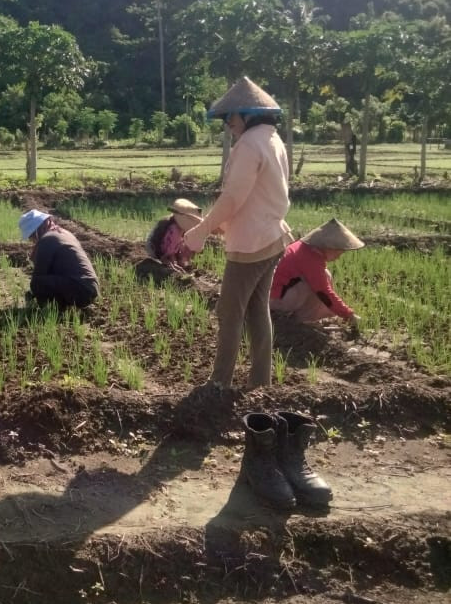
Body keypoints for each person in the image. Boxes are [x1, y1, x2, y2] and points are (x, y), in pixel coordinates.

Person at [182, 77, 293, 391]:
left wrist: (200, 231)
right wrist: (221, 223)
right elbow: (259, 195)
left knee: (228, 311)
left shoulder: (249, 144)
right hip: (271, 237)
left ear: (247, 115)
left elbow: (233, 198)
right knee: (257, 309)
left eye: (230, 118)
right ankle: (260, 382)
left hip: (252, 244)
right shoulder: (272, 138)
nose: (228, 125)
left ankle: (219, 383)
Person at [270, 218, 363, 326]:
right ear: (328, 246)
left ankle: (309, 318)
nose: (338, 257)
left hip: (280, 294)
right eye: (338, 253)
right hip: (275, 299)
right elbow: (324, 292)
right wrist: (349, 315)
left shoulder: (307, 249)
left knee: (325, 275)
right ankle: (304, 321)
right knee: (315, 287)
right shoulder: (310, 258)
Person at [18, 209, 99, 309]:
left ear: (37, 231)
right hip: (90, 287)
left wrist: (33, 294)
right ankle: (69, 305)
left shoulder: (47, 240)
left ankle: (50, 310)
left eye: (31, 236)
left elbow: (38, 275)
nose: (32, 240)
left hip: (80, 288)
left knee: (37, 283)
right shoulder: (64, 232)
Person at [146, 199, 203, 272]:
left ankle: (173, 261)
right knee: (170, 264)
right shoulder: (174, 229)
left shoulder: (175, 222)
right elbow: (166, 246)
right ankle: (170, 263)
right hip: (155, 249)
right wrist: (170, 262)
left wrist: (174, 260)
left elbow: (175, 245)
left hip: (161, 247)